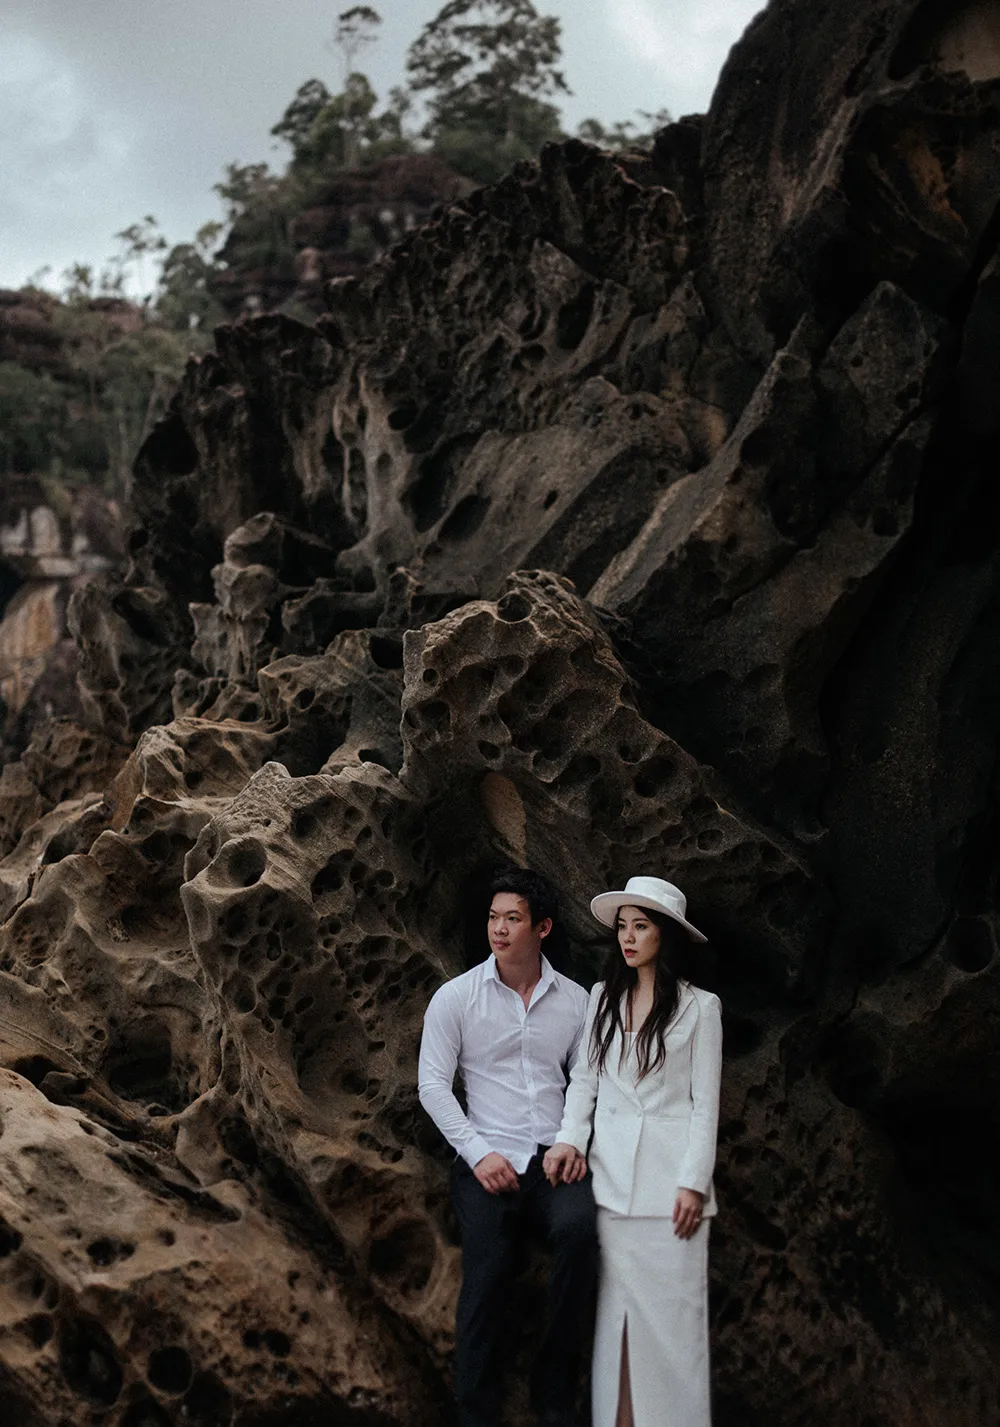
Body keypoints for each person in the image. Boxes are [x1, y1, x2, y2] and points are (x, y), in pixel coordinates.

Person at [418, 866, 597, 1427]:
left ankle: (554, 1393)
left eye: (512, 919)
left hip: (552, 1159)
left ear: (542, 927)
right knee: (488, 1273)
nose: (498, 929)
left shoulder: (575, 1001)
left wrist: (570, 1140)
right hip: (485, 1161)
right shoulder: (456, 997)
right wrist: (477, 1153)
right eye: (493, 918)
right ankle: (474, 1413)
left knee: (582, 1232)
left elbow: (586, 1077)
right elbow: (431, 1085)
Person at [543, 875, 723, 1427]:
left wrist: (694, 1182)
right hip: (613, 1187)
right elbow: (585, 1083)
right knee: (616, 1330)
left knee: (675, 1334)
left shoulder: (702, 1008)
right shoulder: (603, 998)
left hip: (674, 1198)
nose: (628, 937)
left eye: (640, 926)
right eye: (623, 926)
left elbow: (704, 1104)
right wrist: (570, 1138)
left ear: (664, 935)